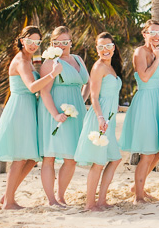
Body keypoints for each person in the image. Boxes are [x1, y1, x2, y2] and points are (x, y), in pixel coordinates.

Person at [0, 26, 62, 210]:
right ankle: (9, 202)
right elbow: (31, 87)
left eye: (37, 42)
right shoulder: (21, 60)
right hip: (20, 108)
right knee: (20, 157)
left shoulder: (30, 60)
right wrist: (53, 74)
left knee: (31, 158)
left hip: (29, 108)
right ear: (22, 41)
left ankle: (7, 195)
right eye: (30, 41)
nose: (33, 45)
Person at [37, 26, 90, 206]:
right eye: (57, 42)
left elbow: (87, 82)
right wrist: (56, 114)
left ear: (71, 42)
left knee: (71, 158)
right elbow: (44, 92)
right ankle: (51, 200)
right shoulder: (50, 63)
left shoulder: (78, 59)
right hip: (54, 111)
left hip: (76, 113)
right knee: (49, 156)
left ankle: (61, 196)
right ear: (52, 44)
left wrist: (82, 101)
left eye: (65, 41)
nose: (62, 45)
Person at [73, 32, 123, 211]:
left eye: (108, 46)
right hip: (99, 119)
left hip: (109, 119)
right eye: (100, 47)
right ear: (97, 49)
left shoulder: (112, 67)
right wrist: (101, 117)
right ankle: (90, 204)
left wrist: (114, 106)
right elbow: (93, 97)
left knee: (115, 159)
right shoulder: (98, 67)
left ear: (113, 47)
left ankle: (101, 200)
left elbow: (110, 93)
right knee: (98, 162)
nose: (105, 50)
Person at [118, 20, 159, 203]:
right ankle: (138, 195)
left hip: (156, 102)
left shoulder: (155, 51)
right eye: (153, 32)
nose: (157, 36)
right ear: (145, 33)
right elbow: (144, 77)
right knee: (147, 153)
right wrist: (158, 59)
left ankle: (137, 185)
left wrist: (157, 56)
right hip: (145, 101)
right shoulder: (140, 52)